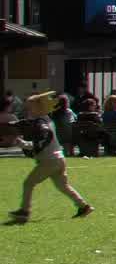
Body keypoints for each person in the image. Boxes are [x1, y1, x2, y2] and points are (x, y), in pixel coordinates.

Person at [9, 93, 93, 222]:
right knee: (63, 186)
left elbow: (41, 142)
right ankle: (84, 206)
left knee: (28, 183)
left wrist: (23, 144)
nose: (28, 110)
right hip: (59, 158)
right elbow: (31, 127)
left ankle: (24, 211)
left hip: (49, 160)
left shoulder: (41, 124)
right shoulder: (47, 120)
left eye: (31, 107)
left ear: (40, 108)